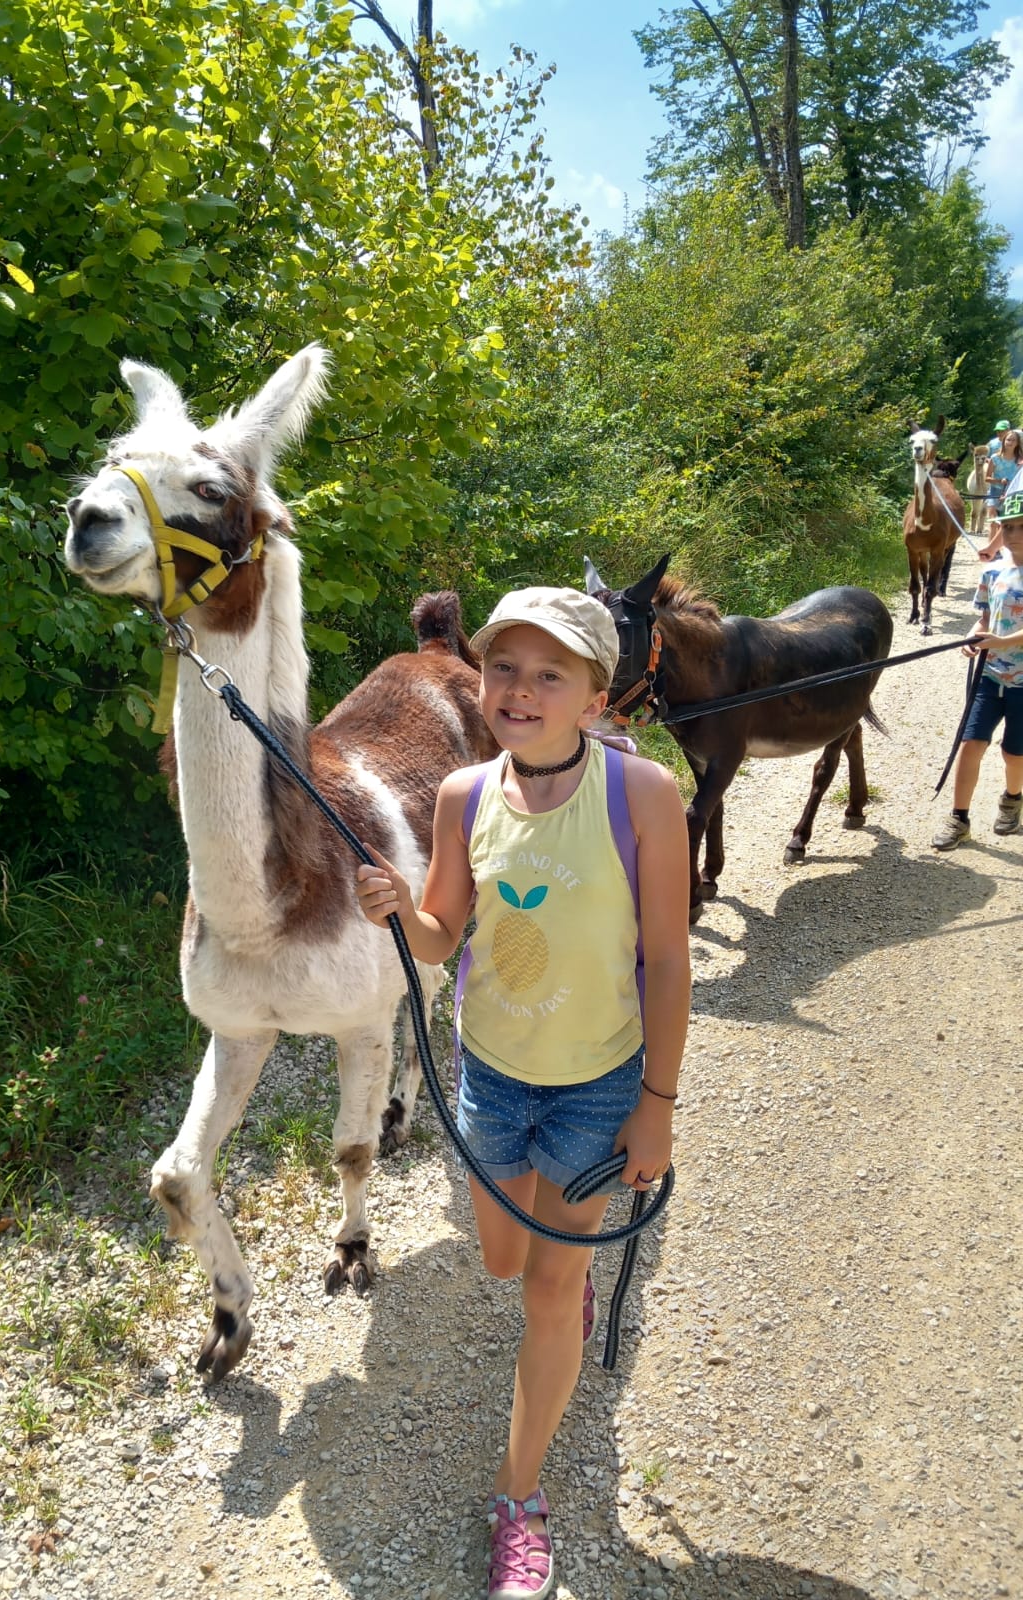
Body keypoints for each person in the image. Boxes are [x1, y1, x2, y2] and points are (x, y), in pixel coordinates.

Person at [354, 587, 691, 1600]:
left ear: (595, 696)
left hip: (596, 1088)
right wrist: (397, 909)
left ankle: (519, 1499)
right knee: (503, 1258)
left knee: (547, 1289)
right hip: (493, 1079)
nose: (520, 690)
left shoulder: (643, 795)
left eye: (551, 674)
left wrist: (657, 1105)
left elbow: (669, 962)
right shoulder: (463, 795)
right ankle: (557, 1273)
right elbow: (440, 936)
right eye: (504, 666)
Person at [933, 468, 1023, 850]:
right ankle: (959, 819)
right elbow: (984, 619)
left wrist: (1001, 641)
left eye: (1020, 527)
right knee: (971, 744)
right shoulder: (993, 572)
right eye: (1008, 526)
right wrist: (974, 637)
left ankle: (1012, 799)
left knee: (1013, 753)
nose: (1013, 534)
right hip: (989, 675)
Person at [980, 429, 1023, 560]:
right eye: (1008, 440)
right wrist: (999, 481)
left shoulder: (1019, 461)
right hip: (995, 492)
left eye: (1013, 440)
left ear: (1017, 443)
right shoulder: (995, 458)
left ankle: (1003, 550)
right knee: (994, 521)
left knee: (1005, 522)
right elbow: (987, 478)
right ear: (1004, 441)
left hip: (1011, 494)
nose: (1010, 442)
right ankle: (994, 550)